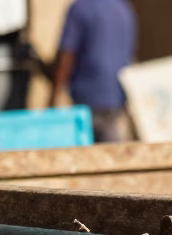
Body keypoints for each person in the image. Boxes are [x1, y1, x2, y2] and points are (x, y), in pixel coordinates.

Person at [50, 0, 136, 143]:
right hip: (118, 98)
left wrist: (52, 100)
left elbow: (66, 57)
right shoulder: (123, 8)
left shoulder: (80, 9)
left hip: (89, 101)